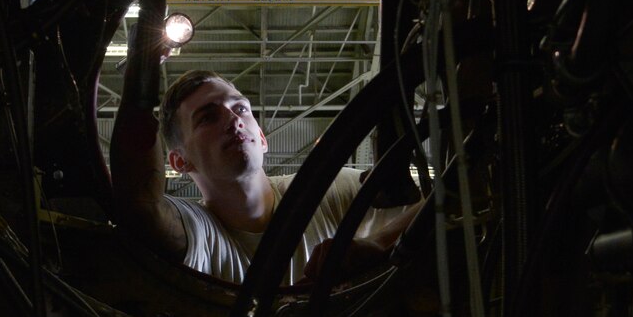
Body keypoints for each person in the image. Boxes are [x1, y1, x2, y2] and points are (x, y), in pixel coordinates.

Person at [111, 48, 415, 284]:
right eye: (208, 117)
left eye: (240, 108)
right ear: (180, 161)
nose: (234, 120)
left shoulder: (330, 188)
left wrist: (378, 242)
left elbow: (445, 202)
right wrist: (139, 86)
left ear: (262, 138)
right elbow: (143, 207)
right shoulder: (199, 229)